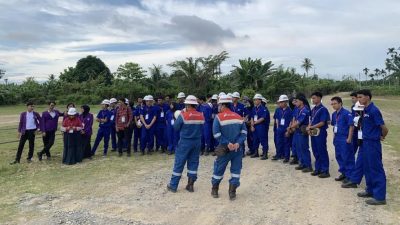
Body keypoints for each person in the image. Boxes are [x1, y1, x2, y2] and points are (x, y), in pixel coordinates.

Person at [211, 94, 247, 200]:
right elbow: (244, 132)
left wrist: (227, 143)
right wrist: (237, 143)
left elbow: (216, 134)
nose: (218, 107)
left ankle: (215, 190)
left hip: (224, 149)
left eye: (219, 105)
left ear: (223, 105)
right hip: (237, 149)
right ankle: (232, 192)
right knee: (236, 171)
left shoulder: (218, 117)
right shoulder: (239, 117)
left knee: (218, 170)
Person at [355, 90, 388, 205]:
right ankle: (370, 190)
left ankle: (380, 197)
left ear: (368, 97)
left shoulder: (374, 110)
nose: (358, 99)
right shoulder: (364, 110)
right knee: (367, 167)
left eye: (360, 97)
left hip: (373, 143)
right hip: (365, 142)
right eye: (357, 97)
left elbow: (384, 128)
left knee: (376, 168)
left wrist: (381, 136)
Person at [167, 95, 205, 193]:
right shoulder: (201, 115)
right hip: (196, 142)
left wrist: (177, 118)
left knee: (179, 163)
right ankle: (190, 185)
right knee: (193, 162)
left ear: (187, 105)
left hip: (185, 142)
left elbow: (175, 127)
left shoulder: (183, 115)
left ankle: (173, 186)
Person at [341, 101, 365, 188]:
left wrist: (381, 135)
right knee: (359, 161)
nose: (357, 112)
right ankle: (354, 180)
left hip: (369, 142)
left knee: (367, 163)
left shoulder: (369, 114)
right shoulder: (358, 117)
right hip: (360, 140)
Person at [308, 92, 330, 178]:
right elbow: (311, 119)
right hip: (314, 131)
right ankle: (318, 168)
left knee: (322, 150)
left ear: (319, 98)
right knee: (315, 150)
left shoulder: (323, 109)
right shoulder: (313, 109)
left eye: (314, 98)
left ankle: (325, 170)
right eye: (312, 98)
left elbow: (322, 122)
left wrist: (311, 127)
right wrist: (309, 126)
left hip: (320, 132)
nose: (313, 100)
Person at [288, 94, 312, 172]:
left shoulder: (305, 110)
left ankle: (308, 165)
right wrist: (292, 126)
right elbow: (294, 119)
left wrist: (291, 127)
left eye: (297, 101)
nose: (295, 103)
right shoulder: (298, 109)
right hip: (297, 131)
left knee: (304, 148)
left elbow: (299, 121)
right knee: (299, 148)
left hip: (302, 131)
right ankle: (302, 164)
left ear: (301, 102)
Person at [272, 95, 292, 163]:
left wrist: (288, 130)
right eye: (279, 102)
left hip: (286, 129)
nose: (280, 103)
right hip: (279, 129)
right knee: (278, 142)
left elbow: (291, 121)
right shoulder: (278, 109)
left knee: (286, 143)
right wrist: (277, 127)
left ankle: (286, 157)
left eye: (281, 102)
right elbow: (277, 119)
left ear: (286, 102)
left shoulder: (289, 110)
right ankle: (278, 154)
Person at [250, 94, 269, 160]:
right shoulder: (254, 108)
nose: (255, 101)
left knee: (263, 140)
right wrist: (252, 125)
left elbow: (263, 118)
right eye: (254, 100)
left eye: (256, 100)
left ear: (260, 100)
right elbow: (252, 116)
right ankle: (256, 152)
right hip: (255, 126)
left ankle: (265, 153)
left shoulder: (264, 109)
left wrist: (254, 123)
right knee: (255, 139)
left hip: (261, 126)